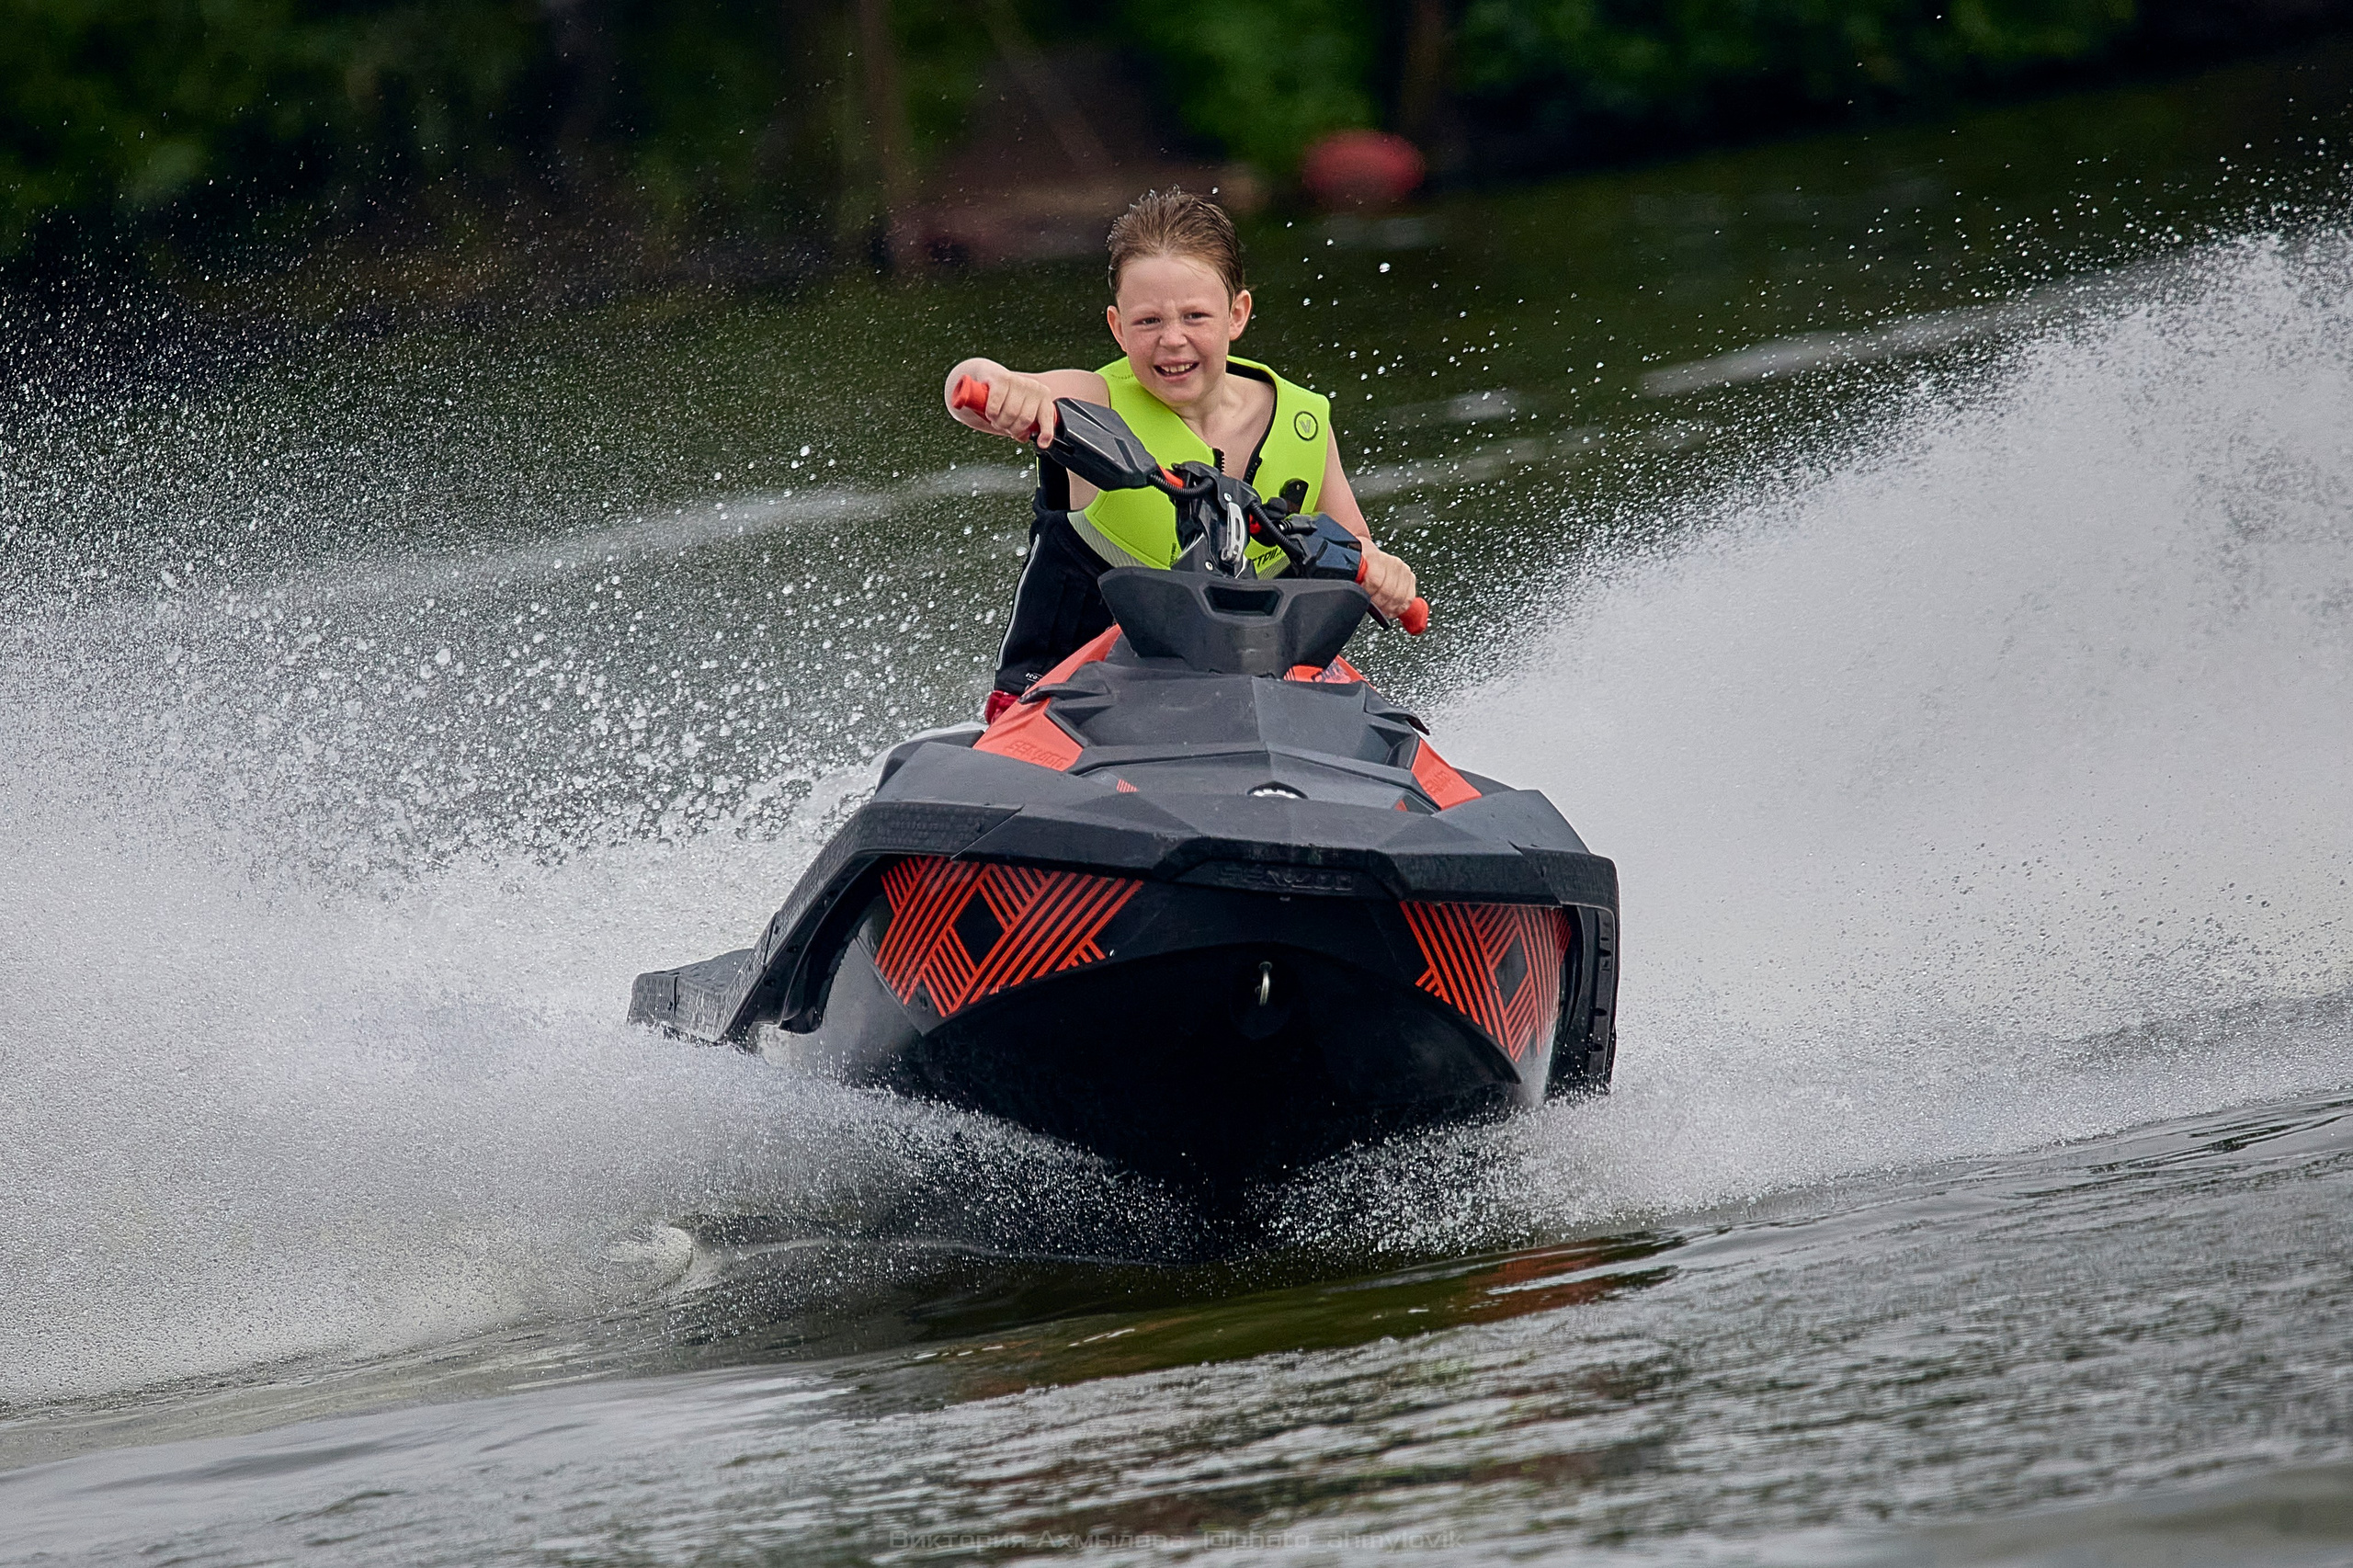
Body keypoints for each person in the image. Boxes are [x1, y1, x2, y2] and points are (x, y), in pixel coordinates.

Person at [945, 187, 1419, 722]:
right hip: (1072, 706)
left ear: (1236, 315)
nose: (1173, 340)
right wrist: (1002, 386)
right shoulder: (1089, 400)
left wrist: (1386, 575)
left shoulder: (1304, 422)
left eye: (1195, 316)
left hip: (1241, 701)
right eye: (1148, 322)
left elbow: (1356, 548)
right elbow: (971, 387)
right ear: (1117, 327)